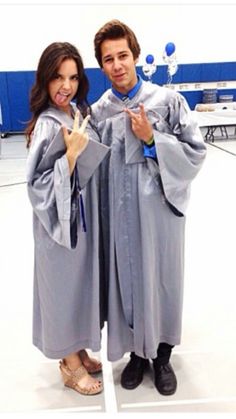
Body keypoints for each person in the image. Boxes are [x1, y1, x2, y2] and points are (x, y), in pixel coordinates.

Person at [92, 20, 207, 395]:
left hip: (159, 213)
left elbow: (195, 151)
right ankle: (135, 356)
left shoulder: (166, 101)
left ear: (136, 55)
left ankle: (161, 355)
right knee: (126, 280)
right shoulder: (99, 112)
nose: (117, 64)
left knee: (161, 278)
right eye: (108, 59)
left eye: (123, 55)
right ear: (102, 65)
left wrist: (151, 139)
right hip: (119, 216)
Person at [25, 42, 109, 396]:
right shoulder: (47, 124)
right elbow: (37, 185)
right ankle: (69, 365)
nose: (66, 86)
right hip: (56, 225)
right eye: (58, 77)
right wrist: (70, 158)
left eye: (73, 77)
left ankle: (79, 348)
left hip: (78, 218)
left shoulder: (73, 110)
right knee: (61, 288)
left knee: (78, 286)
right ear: (45, 78)